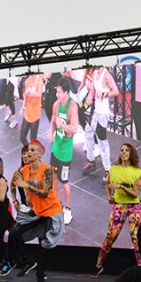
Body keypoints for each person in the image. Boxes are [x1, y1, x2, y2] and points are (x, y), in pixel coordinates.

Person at [0, 141, 64, 282]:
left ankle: (40, 274)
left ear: (40, 154)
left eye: (32, 150)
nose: (28, 153)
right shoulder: (23, 170)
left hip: (52, 212)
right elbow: (13, 184)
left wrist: (27, 186)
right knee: (14, 234)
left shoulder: (47, 169)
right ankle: (28, 261)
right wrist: (16, 200)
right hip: (36, 212)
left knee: (46, 244)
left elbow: (45, 193)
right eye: (27, 150)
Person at [94, 144, 141, 275]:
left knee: (136, 237)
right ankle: (99, 264)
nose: (124, 152)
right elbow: (108, 185)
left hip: (134, 206)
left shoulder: (138, 172)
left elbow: (135, 194)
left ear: (131, 153)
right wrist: (110, 197)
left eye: (127, 150)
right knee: (111, 236)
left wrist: (121, 186)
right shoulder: (114, 169)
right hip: (119, 206)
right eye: (122, 150)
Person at [49, 77, 80, 225]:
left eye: (59, 92)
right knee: (54, 176)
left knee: (65, 181)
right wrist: (51, 133)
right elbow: (53, 119)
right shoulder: (56, 105)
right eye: (57, 91)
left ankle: (68, 209)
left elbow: (74, 129)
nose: (57, 94)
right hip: (55, 149)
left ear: (66, 93)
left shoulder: (72, 107)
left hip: (65, 153)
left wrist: (63, 126)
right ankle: (56, 203)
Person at [83, 67, 119, 180]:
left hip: (103, 113)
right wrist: (89, 99)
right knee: (88, 131)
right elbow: (93, 90)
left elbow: (116, 91)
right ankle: (91, 161)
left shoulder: (106, 75)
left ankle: (108, 170)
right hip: (96, 111)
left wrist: (104, 95)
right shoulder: (94, 73)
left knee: (101, 140)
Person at [19, 74, 45, 146]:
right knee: (22, 138)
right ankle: (29, 150)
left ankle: (33, 154)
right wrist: (23, 105)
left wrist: (30, 92)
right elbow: (25, 94)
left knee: (33, 140)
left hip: (35, 112)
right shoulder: (28, 80)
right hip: (28, 110)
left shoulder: (39, 79)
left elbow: (39, 94)